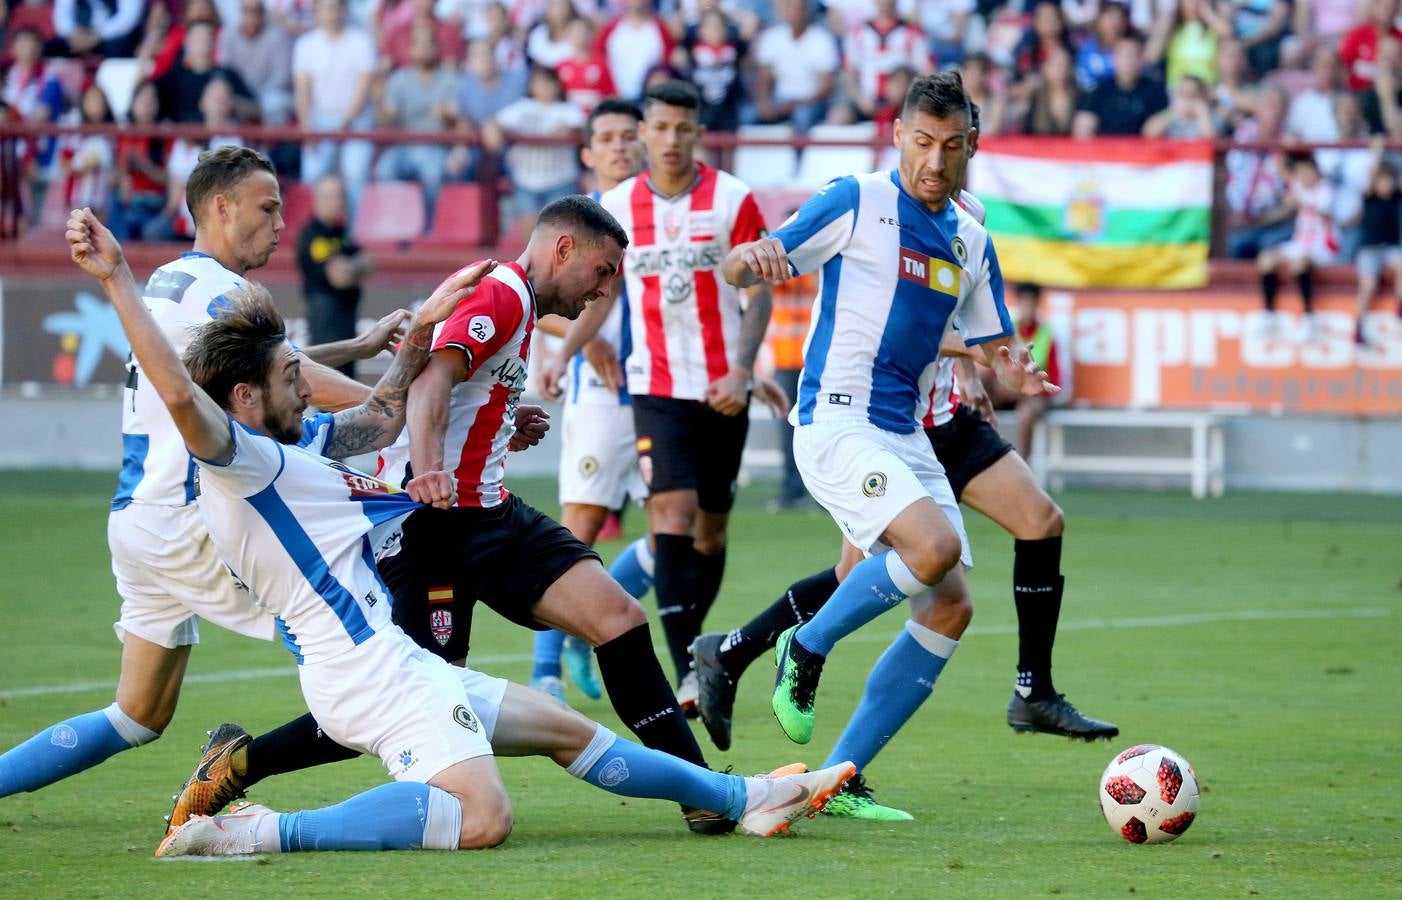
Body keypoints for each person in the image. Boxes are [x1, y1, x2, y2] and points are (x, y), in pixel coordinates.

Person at [64, 209, 855, 855]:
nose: (307, 388)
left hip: (414, 619)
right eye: (289, 379)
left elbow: (381, 412)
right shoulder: (238, 458)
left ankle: (738, 796)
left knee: (572, 719)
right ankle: (251, 824)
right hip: (375, 650)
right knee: (482, 818)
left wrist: (429, 340)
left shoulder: (296, 443)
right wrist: (118, 279)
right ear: (238, 401)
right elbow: (178, 390)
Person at [171, 194, 742, 837]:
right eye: (603, 270)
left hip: (492, 515)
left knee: (618, 619)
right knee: (411, 690)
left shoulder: (519, 303)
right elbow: (431, 381)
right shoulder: (500, 294)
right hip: (434, 527)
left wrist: (502, 422)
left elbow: (467, 390)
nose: (604, 289)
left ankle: (708, 791)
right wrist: (428, 467)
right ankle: (242, 763)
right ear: (563, 250)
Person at [691, 99, 1114, 820]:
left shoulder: (973, 241)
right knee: (934, 546)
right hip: (839, 420)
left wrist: (1012, 367)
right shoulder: (856, 200)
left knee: (950, 605)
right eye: (922, 142)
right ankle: (806, 647)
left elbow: (990, 341)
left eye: (951, 145)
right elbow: (745, 262)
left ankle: (838, 777)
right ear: (898, 137)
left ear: (970, 145)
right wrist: (746, 258)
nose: (934, 160)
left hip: (910, 434)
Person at [0, 147, 403, 802]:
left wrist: (356, 349)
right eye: (267, 208)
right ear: (222, 207)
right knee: (350, 626)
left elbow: (266, 367)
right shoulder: (223, 290)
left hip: (139, 518)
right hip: (192, 518)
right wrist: (398, 405)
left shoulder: (173, 282)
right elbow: (293, 381)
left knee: (136, 715)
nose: (280, 223)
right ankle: (420, 760)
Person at [541, 79, 772, 713]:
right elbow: (603, 293)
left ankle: (702, 657)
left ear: (698, 133)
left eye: (683, 128)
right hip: (656, 386)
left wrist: (744, 370)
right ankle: (691, 671)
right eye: (660, 128)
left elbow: (758, 292)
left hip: (723, 389)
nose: (670, 139)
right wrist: (565, 351)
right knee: (667, 517)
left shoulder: (733, 199)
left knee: (709, 533)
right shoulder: (615, 206)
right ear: (645, 133)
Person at [528, 98, 648, 703]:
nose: (621, 147)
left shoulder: (657, 210)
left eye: (631, 136)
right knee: (581, 525)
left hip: (663, 386)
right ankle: (544, 669)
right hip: (600, 391)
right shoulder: (573, 228)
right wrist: (585, 340)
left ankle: (584, 632)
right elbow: (539, 301)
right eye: (608, 138)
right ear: (588, 153)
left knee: (687, 535)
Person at [297, 174, 375, 378]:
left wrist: (352, 267)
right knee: (331, 384)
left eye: (340, 196)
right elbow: (339, 276)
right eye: (331, 196)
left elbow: (369, 262)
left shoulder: (341, 232)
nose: (337, 202)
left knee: (349, 383)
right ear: (318, 199)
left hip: (347, 320)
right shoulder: (312, 235)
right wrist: (354, 267)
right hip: (326, 325)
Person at [1257, 152, 1337, 334]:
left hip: (1322, 246)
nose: (1304, 176)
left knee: (1300, 263)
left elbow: (1326, 214)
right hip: (1299, 243)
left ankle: (1309, 316)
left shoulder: (1326, 189)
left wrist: (1302, 203)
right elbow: (1280, 170)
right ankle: (1268, 314)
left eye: (1307, 171)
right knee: (1266, 259)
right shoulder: (1298, 187)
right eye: (1300, 172)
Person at [1072, 33, 1168, 137]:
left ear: (1142, 59)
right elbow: (1083, 128)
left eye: (1134, 55)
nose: (1129, 61)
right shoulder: (1099, 91)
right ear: (1114, 59)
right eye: (1124, 56)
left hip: (1144, 150)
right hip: (1105, 149)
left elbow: (1158, 127)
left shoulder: (1155, 90)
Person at [1354, 139, 1402, 346]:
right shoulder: (1369, 197)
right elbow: (1371, 173)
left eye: (1390, 180)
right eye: (1383, 181)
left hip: (1391, 248)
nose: (1387, 185)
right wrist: (1376, 152)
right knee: (1368, 284)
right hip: (1370, 249)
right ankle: (1358, 324)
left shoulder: (1397, 197)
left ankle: (1400, 306)